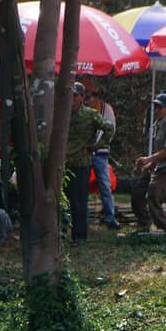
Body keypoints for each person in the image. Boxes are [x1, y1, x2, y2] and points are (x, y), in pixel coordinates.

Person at [131, 94, 166, 235]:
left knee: (153, 194)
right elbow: (158, 150)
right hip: (158, 165)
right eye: (155, 107)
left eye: (160, 107)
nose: (156, 110)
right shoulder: (157, 124)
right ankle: (144, 221)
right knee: (137, 190)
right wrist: (150, 164)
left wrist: (148, 159)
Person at [64, 82, 105, 246]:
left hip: (81, 163)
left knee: (79, 201)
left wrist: (97, 146)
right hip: (64, 163)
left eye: (75, 95)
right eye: (70, 95)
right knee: (62, 200)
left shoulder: (89, 115)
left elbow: (108, 128)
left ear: (81, 97)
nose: (72, 98)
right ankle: (61, 232)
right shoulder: (63, 113)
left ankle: (79, 235)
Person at [87, 86, 119, 229]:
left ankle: (110, 218)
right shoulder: (82, 111)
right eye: (86, 96)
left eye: (91, 96)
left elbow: (110, 131)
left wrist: (97, 145)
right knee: (82, 186)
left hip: (100, 154)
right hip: (84, 154)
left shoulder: (107, 110)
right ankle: (84, 217)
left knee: (105, 187)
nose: (89, 99)